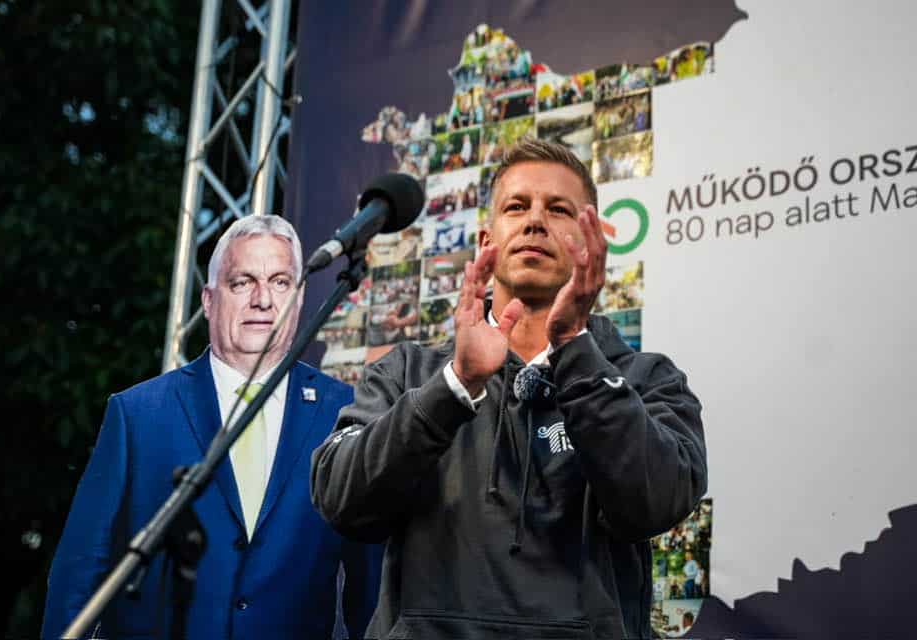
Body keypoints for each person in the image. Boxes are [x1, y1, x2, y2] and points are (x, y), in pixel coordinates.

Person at [311, 138, 707, 639]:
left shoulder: (647, 379)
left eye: (558, 209)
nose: (535, 221)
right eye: (516, 207)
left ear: (590, 244)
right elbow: (341, 501)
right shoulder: (408, 371)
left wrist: (576, 351)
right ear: (486, 242)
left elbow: (657, 502)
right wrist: (455, 386)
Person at [43, 215, 380, 639]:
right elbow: (79, 572)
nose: (263, 300)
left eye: (280, 282)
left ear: (298, 300)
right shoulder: (138, 414)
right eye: (242, 282)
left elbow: (371, 586)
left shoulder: (344, 413)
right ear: (208, 300)